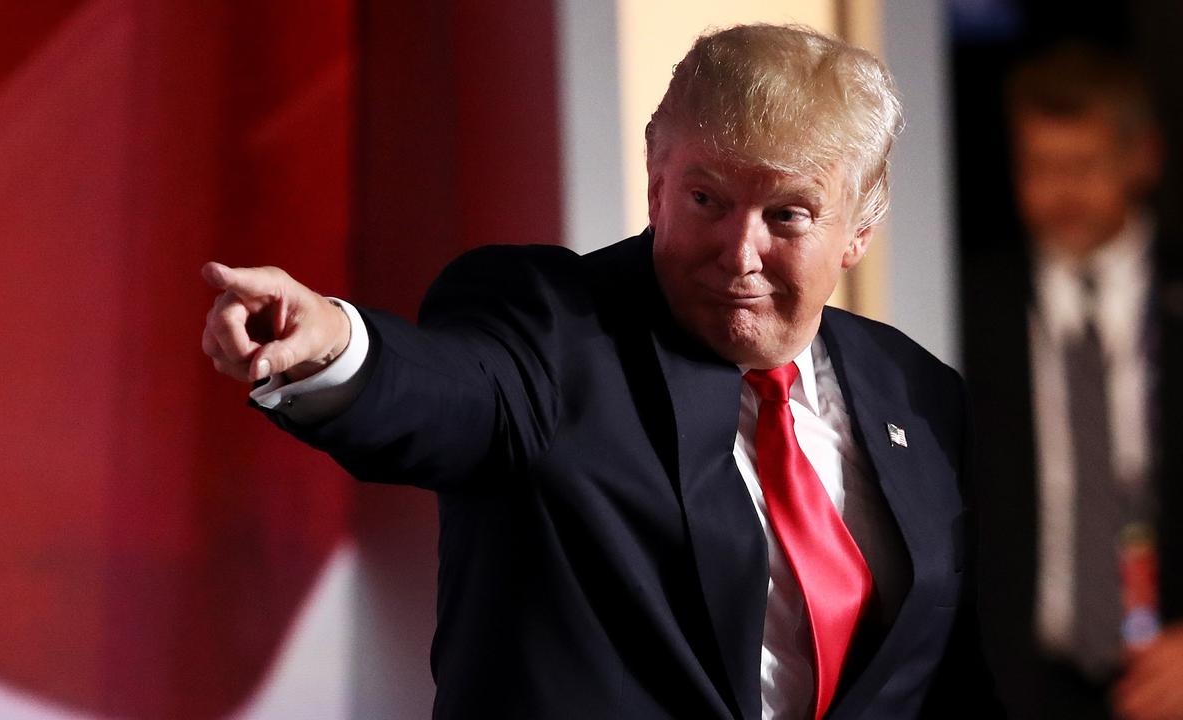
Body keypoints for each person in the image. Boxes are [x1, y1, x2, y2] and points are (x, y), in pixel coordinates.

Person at [203, 24, 998, 719]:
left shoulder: (917, 395)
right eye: (706, 198)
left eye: (787, 214)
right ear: (656, 175)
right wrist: (333, 346)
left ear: (859, 226)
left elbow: (942, 674)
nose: (739, 251)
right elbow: (449, 388)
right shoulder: (553, 327)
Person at [967, 43, 1183, 720]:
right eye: (1040, 167)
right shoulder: (972, 306)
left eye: (1084, 166)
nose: (1063, 193)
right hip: (1017, 680)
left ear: (1142, 156)